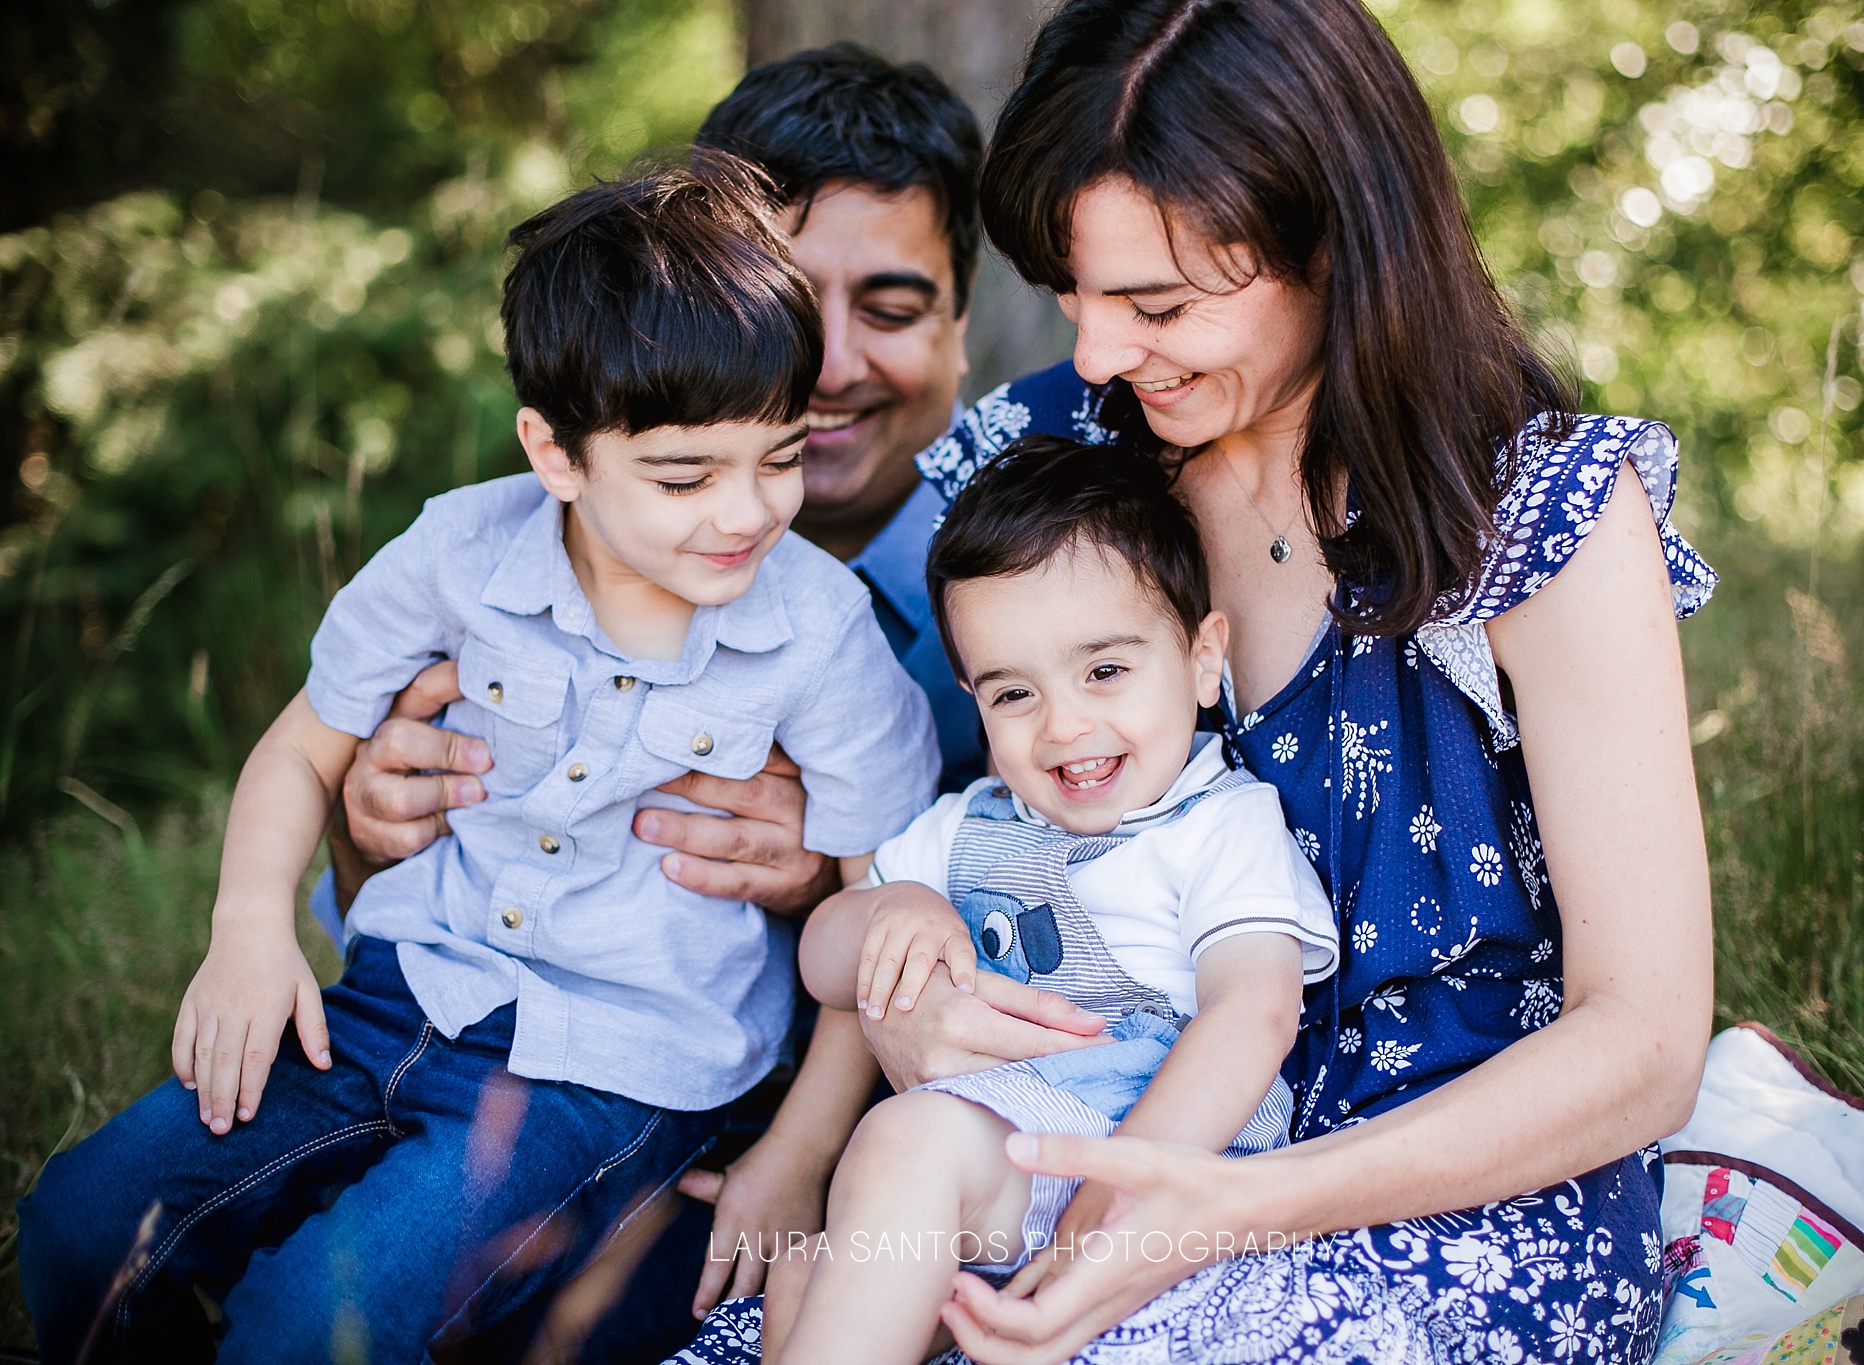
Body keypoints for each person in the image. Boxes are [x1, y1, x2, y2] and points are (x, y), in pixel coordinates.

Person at [682, 0, 1719, 1361]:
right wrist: (912, 992)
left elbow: (1642, 1044)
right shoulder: (1052, 452)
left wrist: (1219, 1210)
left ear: (1338, 243)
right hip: (1077, 1141)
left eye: (1157, 303)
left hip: (1444, 1194)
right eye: (1073, 293)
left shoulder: (1541, 515)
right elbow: (910, 811)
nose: (1101, 354)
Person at [14, 159, 938, 1364]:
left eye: (778, 457)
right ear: (553, 454)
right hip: (400, 993)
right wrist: (249, 932)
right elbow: (303, 746)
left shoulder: (816, 630)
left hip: (611, 1069)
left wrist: (794, 1158)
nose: (747, 512)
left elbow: (879, 917)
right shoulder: (459, 550)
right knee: (82, 1225)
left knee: (316, 1319)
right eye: (683, 475)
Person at [322, 45, 991, 961]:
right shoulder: (532, 545)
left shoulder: (1051, 571)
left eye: (889, 308)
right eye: (786, 315)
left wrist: (832, 883)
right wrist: (364, 830)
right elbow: (358, 895)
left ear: (959, 328)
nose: (827, 366)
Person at [761, 437, 1338, 1364]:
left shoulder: (1220, 823)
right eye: (1015, 692)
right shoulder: (963, 828)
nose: (1064, 724)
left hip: (1153, 1153)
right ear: (973, 699)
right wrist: (891, 909)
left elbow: (1255, 1011)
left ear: (1200, 658)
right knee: (802, 1270)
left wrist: (1109, 1205)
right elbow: (824, 965)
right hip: (992, 1166)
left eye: (1105, 671)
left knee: (900, 1146)